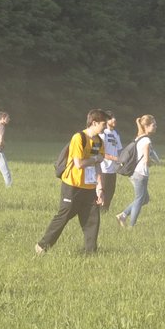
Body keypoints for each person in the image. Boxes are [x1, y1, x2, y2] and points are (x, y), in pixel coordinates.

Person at [36, 109, 109, 255]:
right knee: (64, 215)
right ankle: (42, 246)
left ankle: (91, 253)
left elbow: (98, 166)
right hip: (72, 185)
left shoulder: (99, 141)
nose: (106, 127)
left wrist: (99, 188)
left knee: (92, 219)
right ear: (94, 123)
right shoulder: (79, 138)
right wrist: (95, 159)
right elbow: (79, 163)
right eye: (103, 124)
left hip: (89, 187)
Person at [115, 115, 160, 228]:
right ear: (146, 126)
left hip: (135, 173)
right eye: (153, 125)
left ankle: (123, 215)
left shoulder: (139, 137)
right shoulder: (146, 140)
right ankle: (131, 226)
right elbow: (146, 159)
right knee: (140, 199)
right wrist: (153, 162)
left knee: (145, 199)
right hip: (141, 174)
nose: (156, 127)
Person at [98, 113, 123, 209]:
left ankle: (105, 212)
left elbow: (119, 149)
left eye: (115, 117)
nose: (114, 119)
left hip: (113, 169)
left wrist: (122, 160)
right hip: (104, 169)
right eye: (111, 118)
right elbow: (100, 153)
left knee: (110, 193)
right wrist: (115, 158)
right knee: (102, 193)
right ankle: (98, 212)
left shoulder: (116, 134)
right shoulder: (103, 134)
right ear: (106, 121)